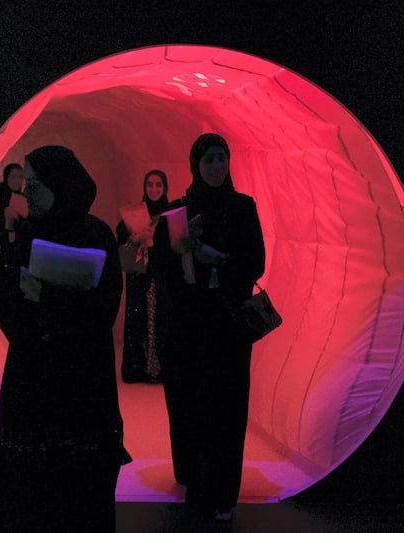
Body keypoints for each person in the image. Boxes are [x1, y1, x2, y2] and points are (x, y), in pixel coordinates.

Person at [0, 145, 131, 532]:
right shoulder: (29, 234)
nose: (25, 191)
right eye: (25, 181)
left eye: (34, 183)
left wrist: (46, 297)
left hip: (80, 384)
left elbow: (102, 311)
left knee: (77, 497)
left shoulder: (96, 235)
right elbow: (14, 316)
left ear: (60, 185)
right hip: (32, 382)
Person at [150, 133, 265, 522]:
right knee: (194, 409)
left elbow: (256, 263)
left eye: (221, 158)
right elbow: (158, 270)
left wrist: (220, 258)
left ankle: (223, 494)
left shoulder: (243, 207)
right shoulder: (177, 212)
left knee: (229, 410)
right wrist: (177, 251)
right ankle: (198, 490)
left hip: (229, 327)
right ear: (195, 165)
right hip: (189, 327)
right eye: (209, 159)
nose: (216, 166)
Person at [116, 169, 170, 383]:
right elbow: (120, 241)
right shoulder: (135, 213)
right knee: (138, 319)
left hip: (162, 276)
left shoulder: (169, 214)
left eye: (158, 184)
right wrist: (135, 238)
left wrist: (155, 240)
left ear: (165, 187)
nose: (154, 189)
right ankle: (137, 368)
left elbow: (177, 244)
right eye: (150, 184)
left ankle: (160, 369)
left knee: (162, 319)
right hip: (139, 277)